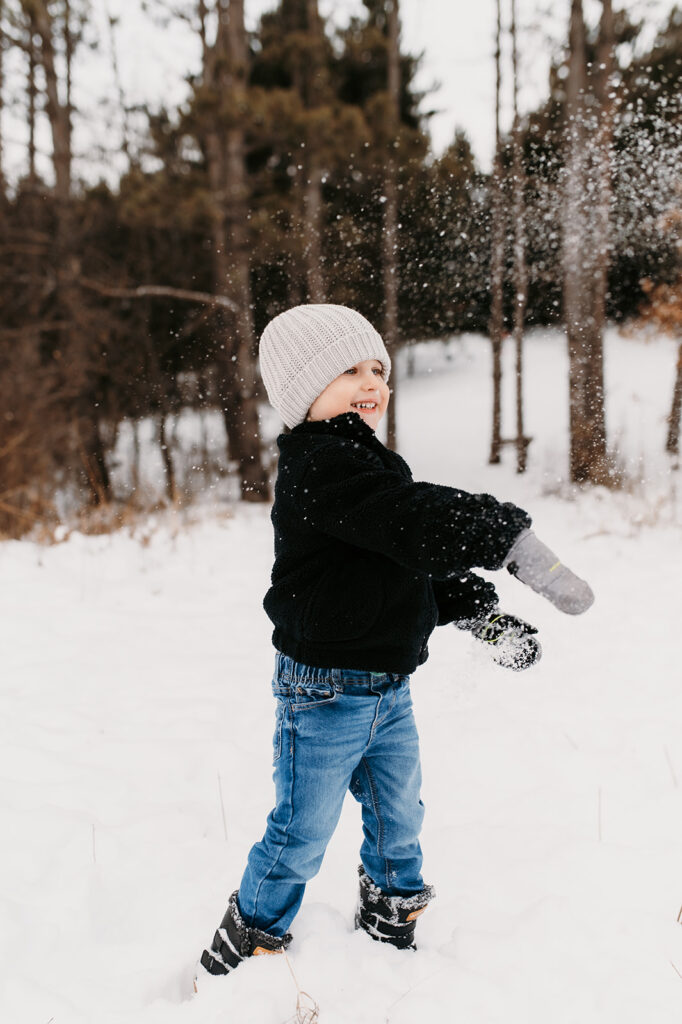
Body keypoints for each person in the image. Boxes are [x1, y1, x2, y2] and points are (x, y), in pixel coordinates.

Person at [197, 304, 593, 980]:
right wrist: (498, 533)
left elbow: (400, 563)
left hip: (389, 690)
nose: (371, 382)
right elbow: (410, 521)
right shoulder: (320, 466)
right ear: (303, 389)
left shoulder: (368, 464)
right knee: (300, 833)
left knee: (399, 817)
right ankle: (246, 947)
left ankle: (390, 920)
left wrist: (476, 612)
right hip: (322, 693)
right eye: (349, 370)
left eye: (378, 369)